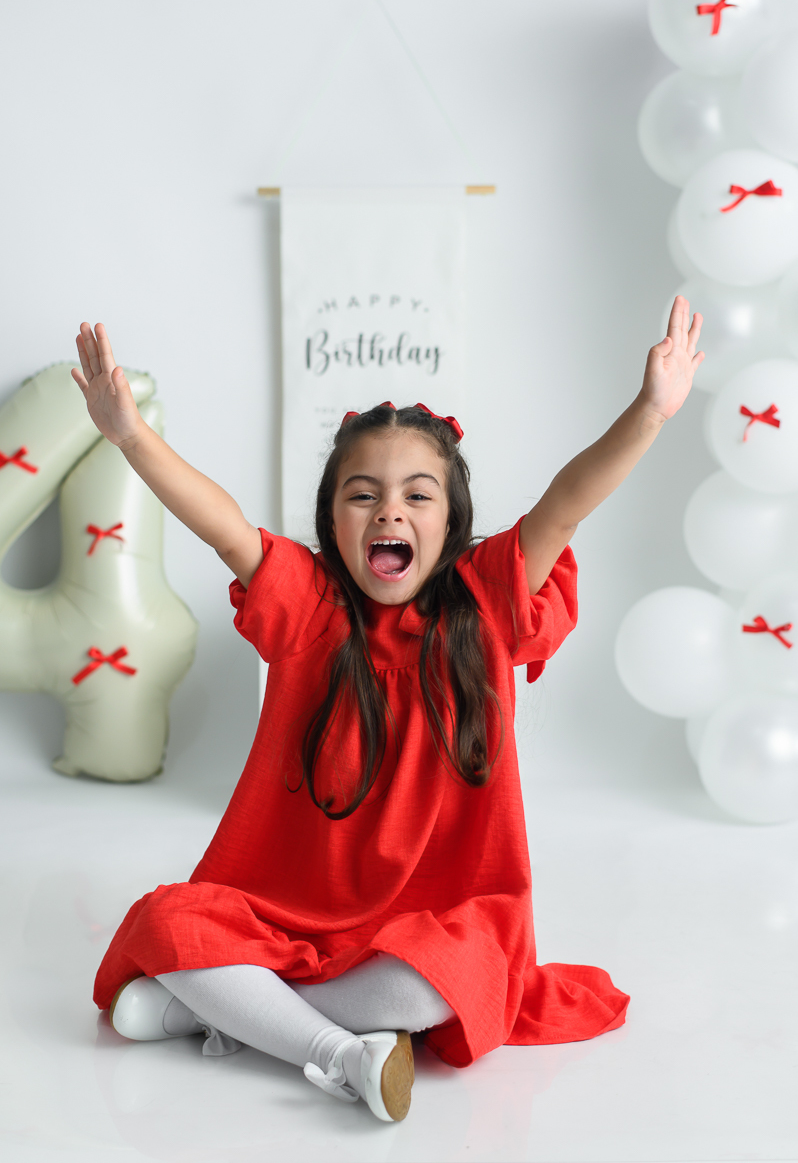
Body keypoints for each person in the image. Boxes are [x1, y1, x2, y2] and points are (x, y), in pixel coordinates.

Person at [74, 296, 703, 1123]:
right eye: (362, 496)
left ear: (452, 523)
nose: (389, 512)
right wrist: (128, 436)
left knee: (449, 980)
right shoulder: (309, 608)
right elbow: (225, 527)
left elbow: (566, 503)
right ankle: (337, 1052)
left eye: (418, 496)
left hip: (430, 925)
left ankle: (216, 1011)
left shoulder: (483, 606)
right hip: (286, 909)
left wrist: (650, 412)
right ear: (332, 522)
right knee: (169, 920)